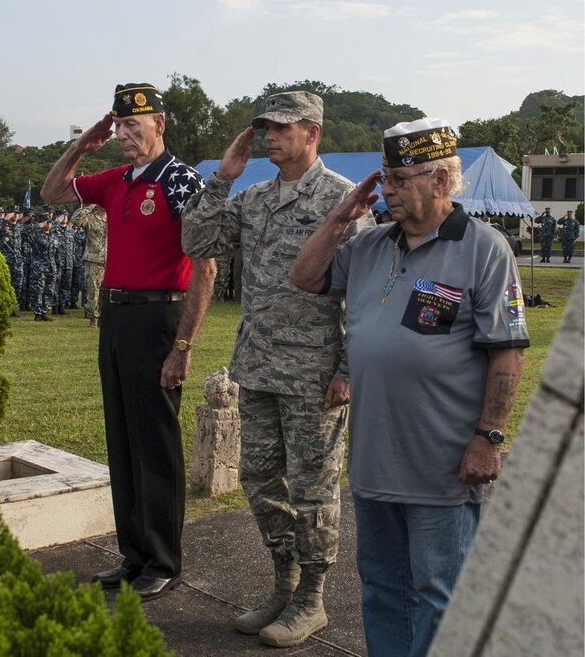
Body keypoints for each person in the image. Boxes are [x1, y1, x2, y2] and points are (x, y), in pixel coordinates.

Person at [290, 118, 529, 657]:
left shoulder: (484, 249)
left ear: (442, 181)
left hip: (442, 464)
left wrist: (488, 437)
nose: (387, 190)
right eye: (384, 177)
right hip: (375, 461)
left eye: (399, 179)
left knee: (439, 596)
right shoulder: (372, 244)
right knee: (381, 591)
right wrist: (339, 217)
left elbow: (507, 349)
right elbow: (304, 278)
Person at [182, 91, 374, 646]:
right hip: (259, 363)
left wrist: (346, 368)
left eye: (282, 128)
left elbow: (360, 298)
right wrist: (222, 178)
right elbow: (195, 241)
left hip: (315, 372)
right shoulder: (255, 197)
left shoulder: (343, 200)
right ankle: (282, 582)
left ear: (312, 132)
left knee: (313, 488)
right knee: (261, 479)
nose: (269, 136)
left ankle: (312, 599)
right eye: (264, 127)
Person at [41, 83, 215, 602]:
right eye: (117, 127)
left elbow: (206, 266)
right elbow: (53, 192)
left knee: (155, 443)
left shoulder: (181, 181)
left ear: (159, 123)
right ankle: (134, 553)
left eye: (131, 126)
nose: (122, 136)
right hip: (116, 317)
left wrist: (183, 347)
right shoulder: (116, 179)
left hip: (159, 316)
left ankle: (163, 559)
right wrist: (81, 147)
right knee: (122, 439)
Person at [71, 203, 107, 327]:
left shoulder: (113, 216)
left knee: (107, 291)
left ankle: (105, 317)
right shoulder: (90, 217)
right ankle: (94, 318)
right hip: (94, 259)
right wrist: (89, 207)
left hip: (110, 260)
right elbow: (75, 220)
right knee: (93, 290)